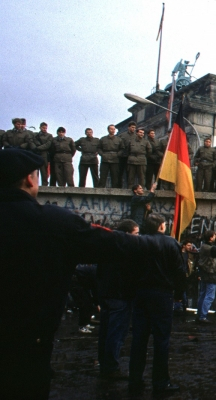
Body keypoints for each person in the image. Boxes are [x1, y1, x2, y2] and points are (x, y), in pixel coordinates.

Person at [0, 148, 168, 399]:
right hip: (28, 346)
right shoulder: (52, 222)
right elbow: (111, 243)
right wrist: (160, 243)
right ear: (29, 179)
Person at [128, 213, 186, 395]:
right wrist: (178, 294)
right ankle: (160, 382)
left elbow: (129, 269)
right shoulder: (171, 243)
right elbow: (179, 271)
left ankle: (135, 380)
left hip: (141, 294)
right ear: (161, 226)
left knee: (139, 339)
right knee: (161, 340)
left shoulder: (138, 243)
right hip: (162, 295)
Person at [97, 219, 139, 380]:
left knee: (105, 331)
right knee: (116, 333)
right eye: (136, 233)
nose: (138, 236)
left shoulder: (107, 246)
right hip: (120, 296)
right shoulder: (126, 251)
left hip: (107, 295)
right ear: (127, 234)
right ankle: (111, 367)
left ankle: (104, 363)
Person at [196, 230, 216, 323]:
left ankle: (200, 315)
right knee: (209, 296)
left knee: (203, 294)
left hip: (204, 272)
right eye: (214, 236)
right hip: (210, 273)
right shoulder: (209, 248)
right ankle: (203, 316)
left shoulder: (204, 246)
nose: (215, 237)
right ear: (210, 238)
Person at [117, 121, 137, 188]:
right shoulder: (122, 135)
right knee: (120, 172)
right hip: (122, 156)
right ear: (129, 127)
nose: (133, 129)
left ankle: (129, 187)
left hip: (131, 157)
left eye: (134, 128)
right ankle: (119, 187)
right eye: (132, 127)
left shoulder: (136, 136)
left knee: (130, 173)